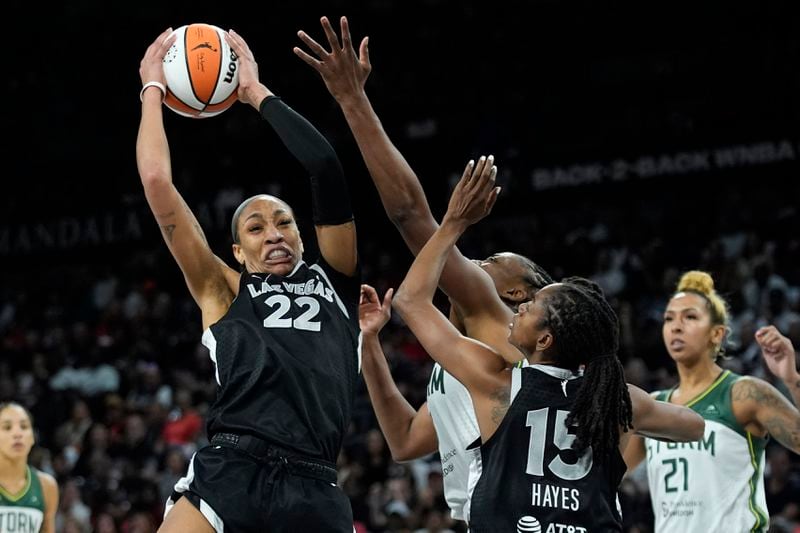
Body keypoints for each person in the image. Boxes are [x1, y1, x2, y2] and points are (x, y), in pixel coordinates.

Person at [295, 16, 553, 523]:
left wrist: (353, 100)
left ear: (520, 296)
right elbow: (406, 440)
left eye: (492, 264)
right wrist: (370, 344)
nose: (476, 266)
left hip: (518, 513)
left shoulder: (496, 320)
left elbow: (410, 216)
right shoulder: (459, 355)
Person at [373, 155, 706, 531]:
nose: (522, 306)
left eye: (532, 306)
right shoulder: (616, 399)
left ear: (546, 339)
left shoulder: (496, 382)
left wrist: (454, 223)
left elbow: (409, 300)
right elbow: (693, 426)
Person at [137, 27, 360, 532]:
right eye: (256, 228)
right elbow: (156, 182)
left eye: (284, 222)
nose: (274, 233)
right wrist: (152, 89)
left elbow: (324, 165)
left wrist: (255, 92)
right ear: (237, 251)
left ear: (304, 237)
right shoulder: (224, 289)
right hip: (232, 469)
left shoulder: (337, 282)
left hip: (315, 485)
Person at [623, 271, 800, 532]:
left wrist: (792, 379)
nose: (676, 326)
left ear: (717, 334)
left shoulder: (743, 393)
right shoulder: (652, 406)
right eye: (669, 318)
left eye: (690, 317)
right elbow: (608, 475)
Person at [0, 401, 59, 533]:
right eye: (7, 427)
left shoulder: (46, 486)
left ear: (32, 437)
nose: (17, 434)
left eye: (24, 426)